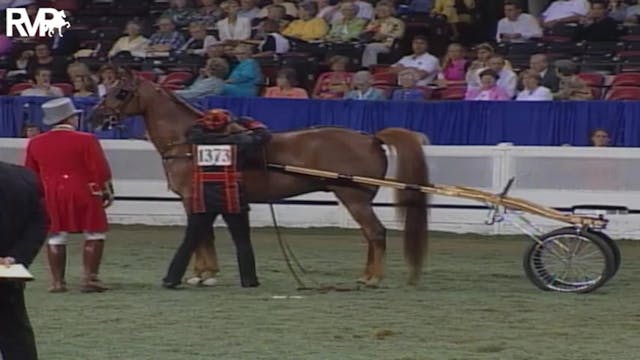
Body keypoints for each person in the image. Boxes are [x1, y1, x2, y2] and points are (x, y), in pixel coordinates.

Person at [162, 109, 271, 289]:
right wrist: (251, 124)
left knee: (190, 241)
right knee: (242, 241)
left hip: (203, 196)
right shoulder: (239, 143)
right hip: (232, 196)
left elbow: (191, 132)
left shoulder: (197, 141)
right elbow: (264, 136)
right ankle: (249, 279)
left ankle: (171, 278)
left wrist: (201, 122)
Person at [24, 97, 114, 293]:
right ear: (70, 118)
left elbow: (31, 173)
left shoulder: (35, 143)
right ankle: (90, 278)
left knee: (56, 235)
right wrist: (106, 189)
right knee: (94, 232)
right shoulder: (87, 139)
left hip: (52, 193)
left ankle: (58, 282)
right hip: (84, 190)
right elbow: (100, 169)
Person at [0, 161, 47, 360]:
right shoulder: (23, 177)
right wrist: (14, 259)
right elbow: (39, 222)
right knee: (14, 333)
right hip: (7, 272)